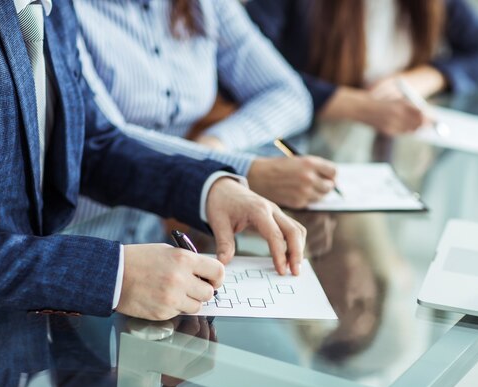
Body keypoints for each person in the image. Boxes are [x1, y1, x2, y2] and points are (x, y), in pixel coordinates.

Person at [0, 0, 306, 322]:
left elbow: (91, 142)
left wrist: (208, 189)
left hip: (21, 333)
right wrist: (111, 276)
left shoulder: (53, 6)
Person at [69, 0, 336, 247]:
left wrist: (215, 145)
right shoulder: (63, 9)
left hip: (157, 239)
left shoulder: (206, 4)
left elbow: (290, 94)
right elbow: (102, 138)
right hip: (73, 241)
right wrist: (238, 171)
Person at [246, 0, 478, 136]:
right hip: (304, 134)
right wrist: (357, 106)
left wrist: (425, 78)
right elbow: (249, 70)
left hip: (390, 143)